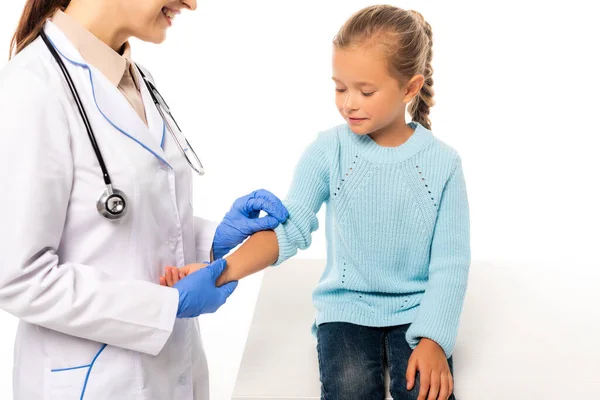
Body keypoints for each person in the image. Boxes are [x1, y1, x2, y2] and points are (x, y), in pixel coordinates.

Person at [166, 5, 470, 400]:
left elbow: (451, 262)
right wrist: (219, 271)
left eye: (366, 91)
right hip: (345, 311)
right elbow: (287, 230)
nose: (349, 104)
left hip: (417, 310)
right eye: (340, 87)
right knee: (351, 390)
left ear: (410, 88)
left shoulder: (443, 163)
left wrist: (434, 338)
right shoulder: (329, 151)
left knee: (427, 392)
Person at [0, 1, 288, 399]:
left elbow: (122, 226)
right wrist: (162, 308)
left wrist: (209, 240)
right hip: (94, 384)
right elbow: (18, 277)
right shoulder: (31, 88)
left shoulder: (133, 79)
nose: (191, 2)